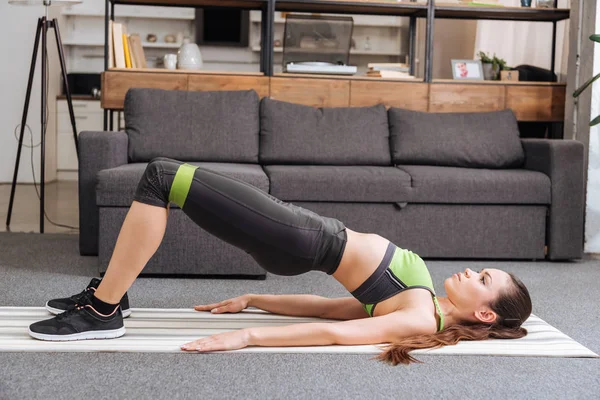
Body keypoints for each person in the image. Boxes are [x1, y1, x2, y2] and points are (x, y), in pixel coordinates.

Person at [28, 158, 532, 365]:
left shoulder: (420, 316)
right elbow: (332, 311)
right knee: (165, 185)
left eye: (484, 279)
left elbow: (336, 336)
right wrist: (254, 300)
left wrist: (247, 336)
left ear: (486, 312)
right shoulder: (426, 311)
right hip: (299, 241)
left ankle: (102, 310)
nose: (473, 271)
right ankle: (109, 295)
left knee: (163, 177)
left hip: (301, 238)